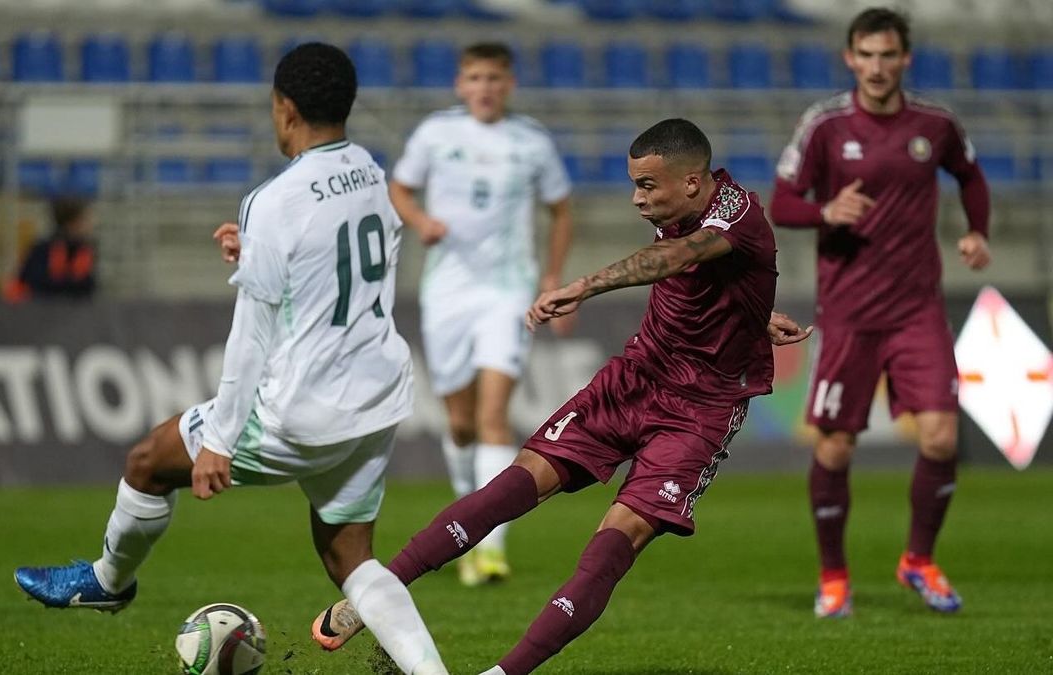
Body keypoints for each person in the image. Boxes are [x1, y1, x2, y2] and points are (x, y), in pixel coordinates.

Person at [310, 118, 812, 674]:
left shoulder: (737, 216)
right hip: (635, 379)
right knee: (509, 489)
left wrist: (581, 286)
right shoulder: (688, 211)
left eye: (647, 186)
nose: (637, 199)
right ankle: (371, 596)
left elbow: (675, 260)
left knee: (611, 547)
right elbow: (714, 279)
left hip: (698, 414)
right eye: (634, 184)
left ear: (692, 183)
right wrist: (753, 316)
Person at [13, 43, 448, 675]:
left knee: (147, 462)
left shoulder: (275, 199)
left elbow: (251, 333)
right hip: (379, 399)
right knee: (350, 557)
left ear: (285, 108)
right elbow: (351, 253)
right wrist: (259, 252)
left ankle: (109, 580)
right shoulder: (371, 171)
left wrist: (219, 439)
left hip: (302, 409)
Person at [770, 7, 991, 618]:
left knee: (942, 439)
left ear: (905, 59)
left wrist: (976, 231)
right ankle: (834, 576)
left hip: (918, 308)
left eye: (886, 54)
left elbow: (970, 175)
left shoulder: (936, 124)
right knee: (836, 447)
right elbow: (782, 201)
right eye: (865, 54)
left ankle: (918, 560)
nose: (876, 66)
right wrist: (824, 212)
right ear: (849, 58)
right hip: (849, 314)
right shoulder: (824, 124)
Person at [390, 42, 575, 586]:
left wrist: (549, 278)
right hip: (446, 292)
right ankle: (465, 523)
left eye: (494, 77)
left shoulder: (532, 141)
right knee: (462, 423)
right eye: (475, 77)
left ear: (509, 83)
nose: (485, 87)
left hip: (507, 291)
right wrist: (420, 221)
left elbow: (562, 211)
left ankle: (489, 547)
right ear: (459, 83)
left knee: (495, 416)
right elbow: (398, 187)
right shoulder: (434, 134)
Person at [7, 196, 97, 301]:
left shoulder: (84, 250)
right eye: (85, 220)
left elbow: (88, 285)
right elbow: (35, 282)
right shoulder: (43, 248)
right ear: (73, 222)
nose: (90, 224)